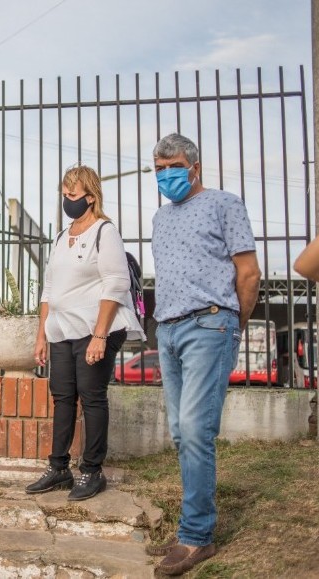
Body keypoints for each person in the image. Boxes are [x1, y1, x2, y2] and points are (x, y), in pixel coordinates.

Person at [147, 133, 261, 575]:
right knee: (181, 431)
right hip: (170, 330)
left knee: (196, 428)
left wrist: (233, 324)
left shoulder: (225, 204)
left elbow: (248, 273)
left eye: (171, 165)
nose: (165, 174)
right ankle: (191, 529)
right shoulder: (160, 218)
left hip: (210, 323)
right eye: (157, 168)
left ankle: (196, 538)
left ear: (194, 166)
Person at [26, 165, 144, 501]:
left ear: (91, 197)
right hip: (62, 329)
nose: (67, 200)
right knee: (63, 397)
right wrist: (41, 335)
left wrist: (99, 335)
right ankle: (58, 467)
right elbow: (49, 288)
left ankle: (92, 471)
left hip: (96, 329)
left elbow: (117, 284)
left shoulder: (105, 232)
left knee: (91, 397)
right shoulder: (63, 236)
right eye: (64, 194)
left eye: (73, 195)